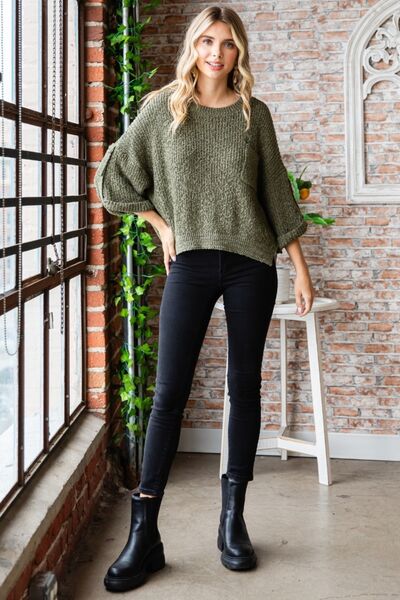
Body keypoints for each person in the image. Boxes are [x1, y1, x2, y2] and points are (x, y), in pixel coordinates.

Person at [94, 5, 315, 593]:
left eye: (228, 43)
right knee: (169, 394)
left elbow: (277, 196)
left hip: (251, 264)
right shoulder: (162, 108)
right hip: (191, 261)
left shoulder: (253, 114)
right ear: (194, 46)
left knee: (244, 388)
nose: (217, 53)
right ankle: (144, 534)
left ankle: (232, 522)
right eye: (208, 41)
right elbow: (114, 178)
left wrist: (301, 271)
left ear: (240, 52)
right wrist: (162, 226)